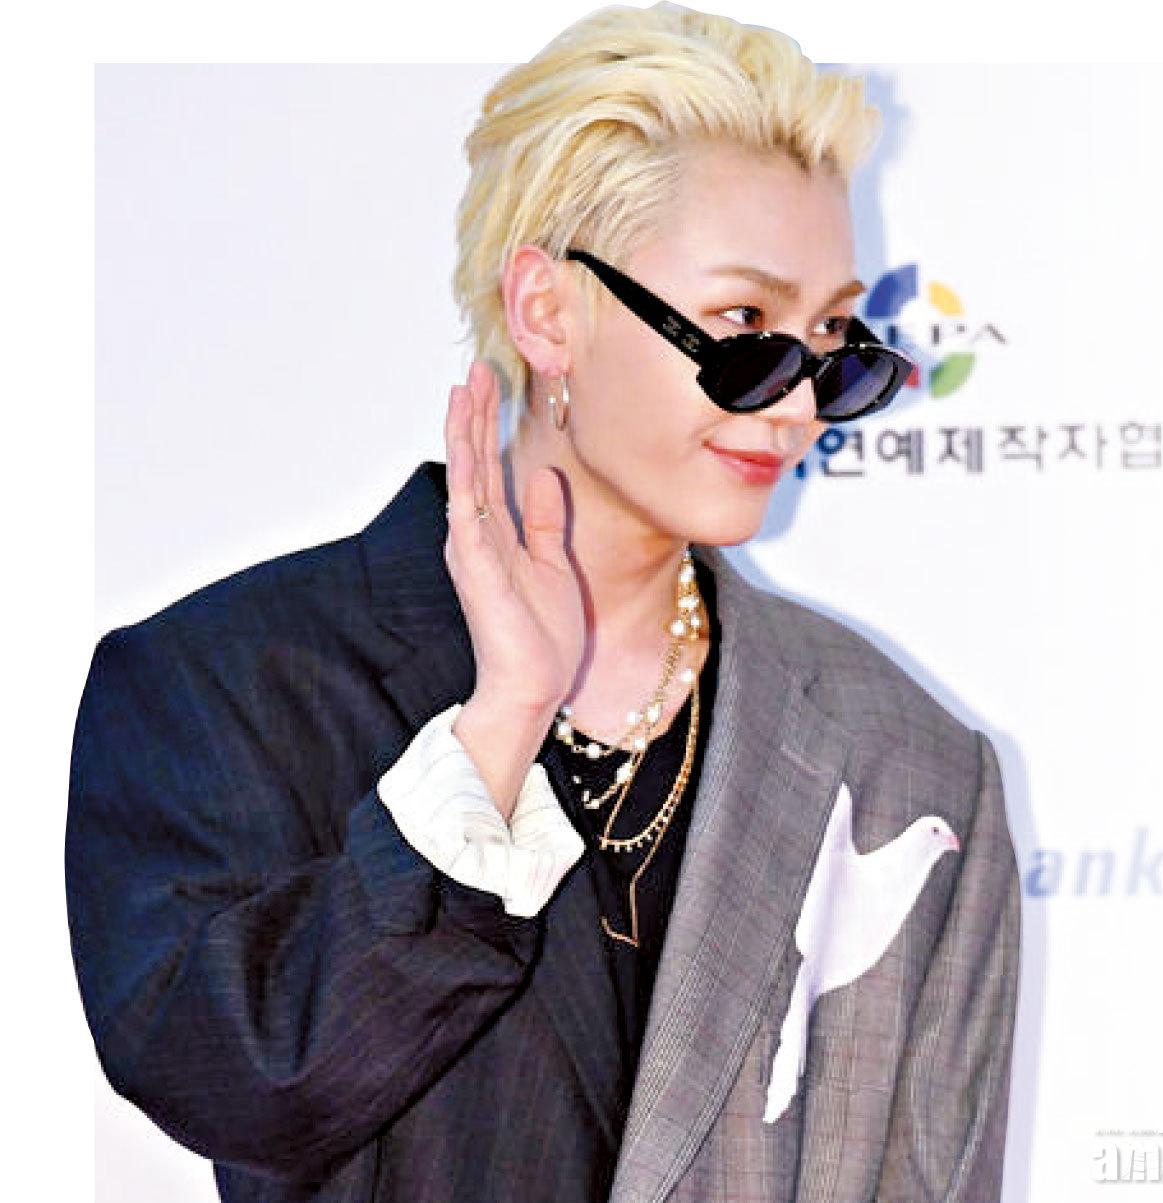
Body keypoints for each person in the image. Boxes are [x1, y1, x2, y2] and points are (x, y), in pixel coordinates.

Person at [67, 4, 1021, 1201]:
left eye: (827, 337)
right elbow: (246, 1087)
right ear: (547, 312)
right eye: (742, 327)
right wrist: (499, 727)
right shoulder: (229, 683)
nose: (795, 408)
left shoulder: (906, 763)